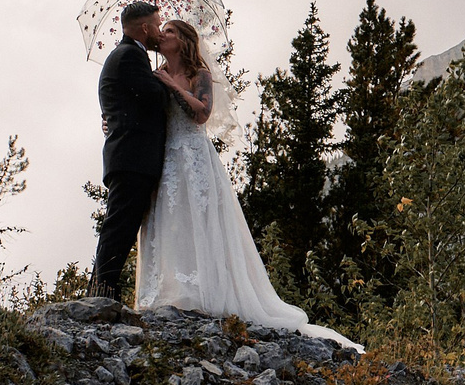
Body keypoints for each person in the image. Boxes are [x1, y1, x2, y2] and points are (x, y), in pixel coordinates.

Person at [138, 17, 354, 345]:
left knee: (203, 219)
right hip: (168, 155)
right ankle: (173, 289)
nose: (162, 35)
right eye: (162, 30)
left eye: (169, 31)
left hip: (195, 155)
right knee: (172, 220)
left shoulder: (200, 75)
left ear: (182, 40)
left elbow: (202, 114)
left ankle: (206, 291)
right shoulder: (157, 74)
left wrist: (172, 85)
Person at [91, 1, 172, 299]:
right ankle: (103, 292)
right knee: (119, 226)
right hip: (132, 157)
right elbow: (154, 97)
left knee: (121, 224)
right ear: (145, 28)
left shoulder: (129, 56)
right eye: (158, 24)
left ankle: (101, 290)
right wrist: (169, 80)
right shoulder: (128, 56)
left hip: (130, 156)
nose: (160, 31)